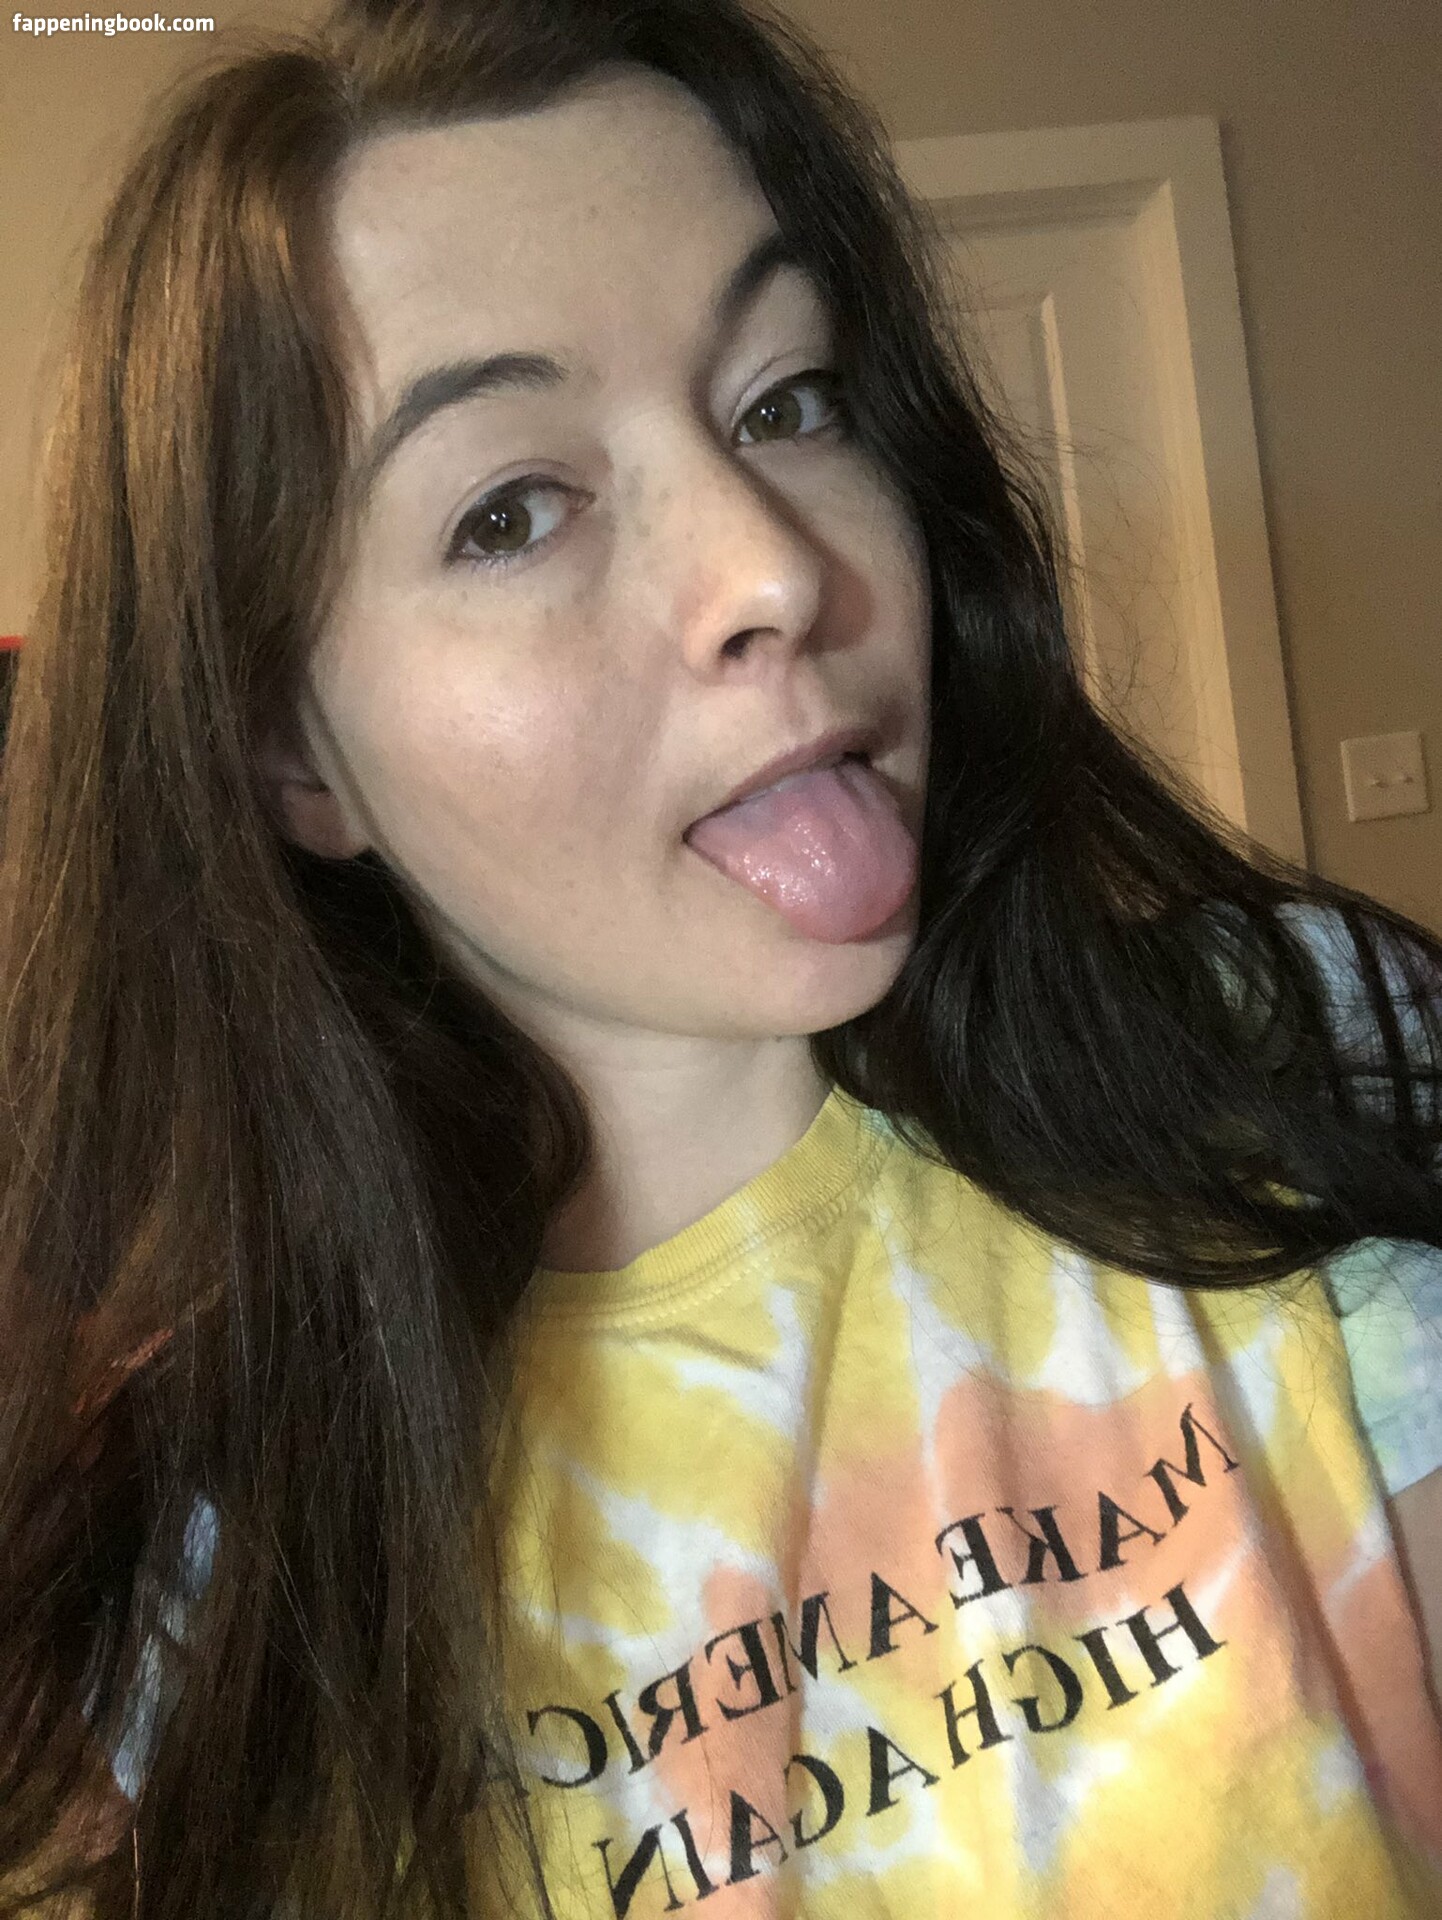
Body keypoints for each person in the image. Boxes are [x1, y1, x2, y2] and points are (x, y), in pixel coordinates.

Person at [1, 0, 1440, 1913]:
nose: (773, 566)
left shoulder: (1295, 1071)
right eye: (510, 511)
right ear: (289, 754)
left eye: (786, 403)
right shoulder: (198, 1562)